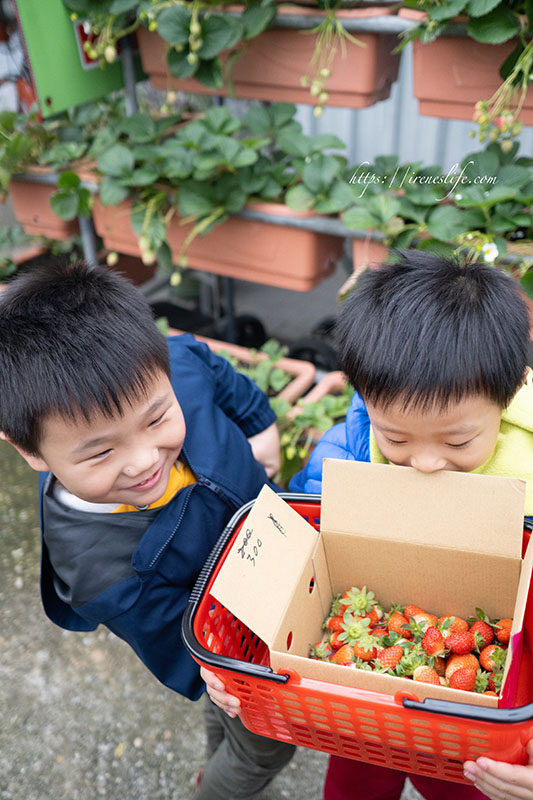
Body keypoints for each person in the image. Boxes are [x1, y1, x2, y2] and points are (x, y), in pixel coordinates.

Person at [0, 261, 295, 800]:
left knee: (230, 732)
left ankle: (217, 749)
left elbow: (207, 365)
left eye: (158, 420)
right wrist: (228, 675)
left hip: (278, 556)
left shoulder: (170, 367)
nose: (143, 461)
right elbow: (186, 648)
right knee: (264, 744)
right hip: (240, 649)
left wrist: (260, 424)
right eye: (102, 451)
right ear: (29, 451)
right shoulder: (105, 576)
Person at [289, 251, 533, 800]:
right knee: (355, 781)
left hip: (473, 723)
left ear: (510, 391)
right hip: (366, 704)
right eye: (395, 439)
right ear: (365, 396)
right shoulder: (349, 452)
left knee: (463, 783)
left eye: (457, 442)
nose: (424, 464)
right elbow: (306, 538)